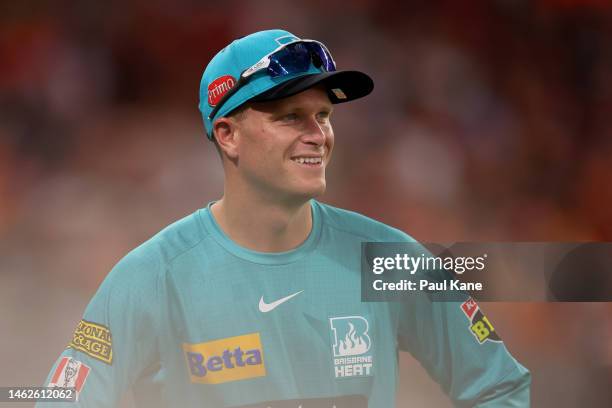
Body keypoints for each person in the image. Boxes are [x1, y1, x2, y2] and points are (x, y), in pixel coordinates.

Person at [38, 29, 530, 408]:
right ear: (227, 134)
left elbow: (499, 385)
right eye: (291, 117)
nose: (318, 134)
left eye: (324, 116)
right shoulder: (151, 278)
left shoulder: (392, 259)